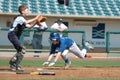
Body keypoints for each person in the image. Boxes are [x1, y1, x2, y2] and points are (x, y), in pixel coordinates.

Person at [8, 5, 41, 71]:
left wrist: (36, 23)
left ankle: (15, 65)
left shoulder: (23, 19)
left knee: (21, 51)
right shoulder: (20, 17)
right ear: (22, 11)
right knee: (22, 49)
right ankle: (12, 63)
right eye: (26, 10)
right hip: (12, 34)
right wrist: (36, 18)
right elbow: (26, 22)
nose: (28, 11)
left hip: (15, 36)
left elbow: (30, 26)